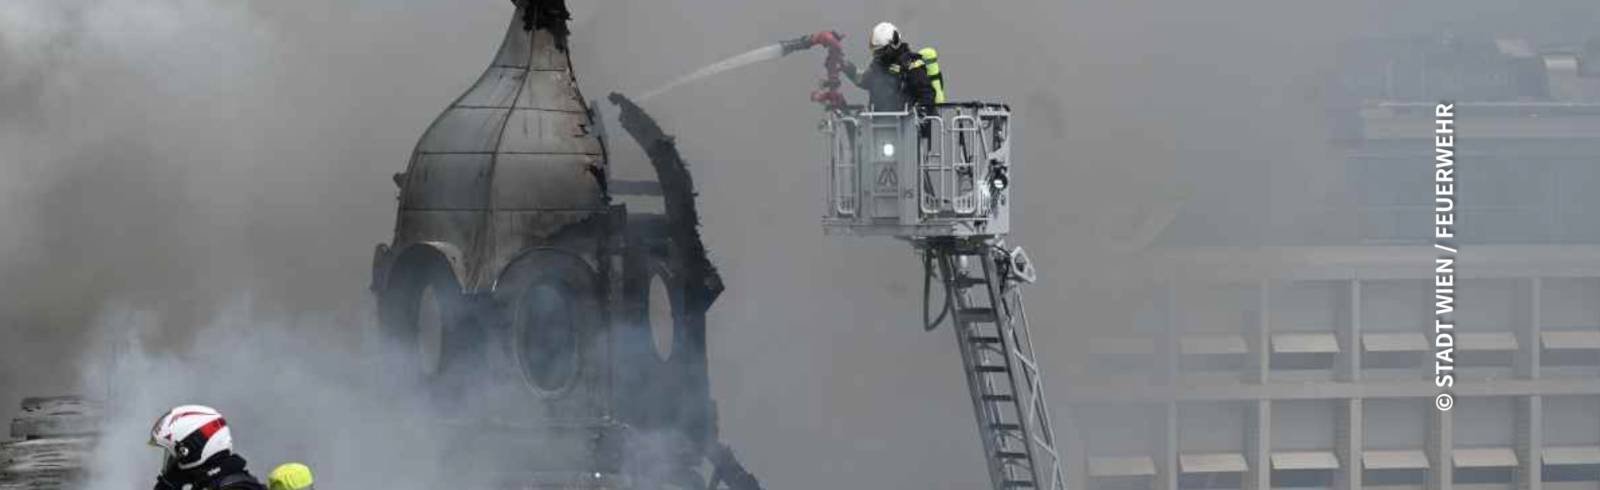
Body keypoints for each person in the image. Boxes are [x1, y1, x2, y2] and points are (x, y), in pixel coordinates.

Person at [148, 405, 267, 490]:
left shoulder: (235, 487)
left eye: (173, 455)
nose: (172, 463)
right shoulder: (211, 483)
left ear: (190, 451)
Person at [844, 22, 937, 112]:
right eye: (876, 51)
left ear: (894, 44)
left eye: (881, 51)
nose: (878, 55)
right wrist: (848, 69)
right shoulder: (878, 66)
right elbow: (864, 80)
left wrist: (921, 112)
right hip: (878, 124)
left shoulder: (911, 64)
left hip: (906, 124)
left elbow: (927, 93)